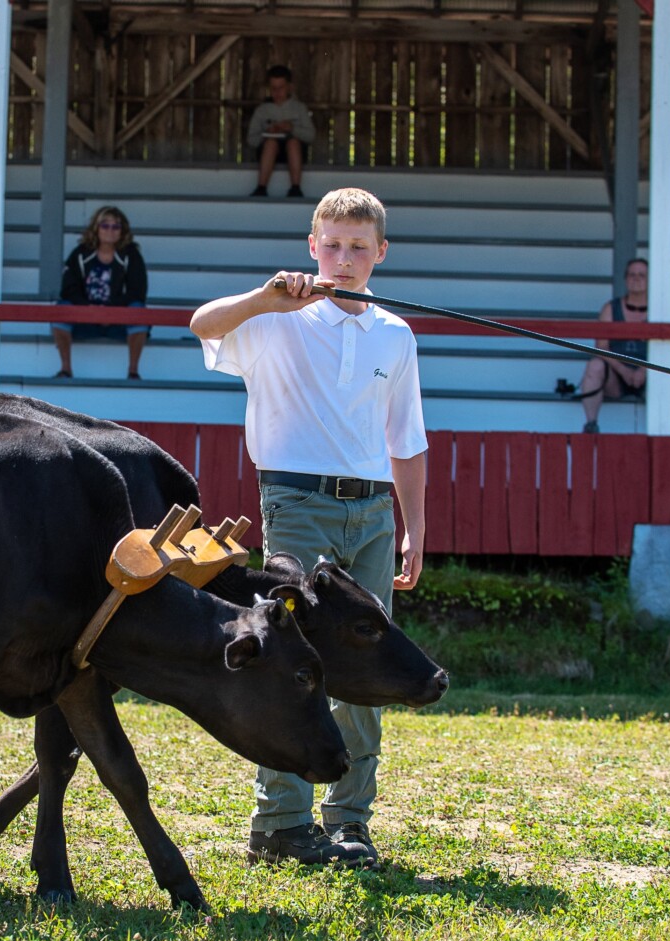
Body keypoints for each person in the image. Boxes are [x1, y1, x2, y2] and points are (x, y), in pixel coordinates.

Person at [191, 187, 427, 870]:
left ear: (380, 253)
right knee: (292, 663)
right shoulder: (276, 318)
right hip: (297, 501)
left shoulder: (395, 334)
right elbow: (202, 324)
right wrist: (267, 298)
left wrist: (413, 528)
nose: (344, 258)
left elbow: (406, 441)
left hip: (374, 511)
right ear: (311, 246)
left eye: (359, 247)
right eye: (332, 244)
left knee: (367, 667)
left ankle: (350, 820)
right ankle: (282, 822)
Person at [51, 206, 150, 380]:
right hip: (85, 319)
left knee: (139, 310)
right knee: (61, 309)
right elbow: (68, 289)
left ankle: (133, 371)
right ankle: (65, 369)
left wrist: (110, 311)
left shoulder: (131, 255)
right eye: (105, 225)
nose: (110, 231)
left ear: (122, 230)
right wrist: (89, 309)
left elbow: (137, 291)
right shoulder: (81, 253)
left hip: (118, 321)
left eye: (116, 226)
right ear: (96, 228)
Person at [579, 258, 650, 433]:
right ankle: (591, 425)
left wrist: (643, 370)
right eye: (632, 275)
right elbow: (600, 347)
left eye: (642, 275)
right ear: (625, 279)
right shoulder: (611, 309)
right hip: (616, 376)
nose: (636, 279)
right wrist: (623, 370)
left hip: (649, 376)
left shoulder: (660, 309)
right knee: (594, 365)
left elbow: (665, 350)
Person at [246, 66, 316, 199]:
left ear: (289, 87)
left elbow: (311, 136)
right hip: (268, 152)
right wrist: (266, 133)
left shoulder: (299, 108)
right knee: (271, 143)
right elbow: (251, 139)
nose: (277, 92)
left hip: (295, 153)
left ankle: (295, 188)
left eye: (281, 87)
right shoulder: (262, 110)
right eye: (273, 88)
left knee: (293, 143)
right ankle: (261, 188)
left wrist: (292, 129)